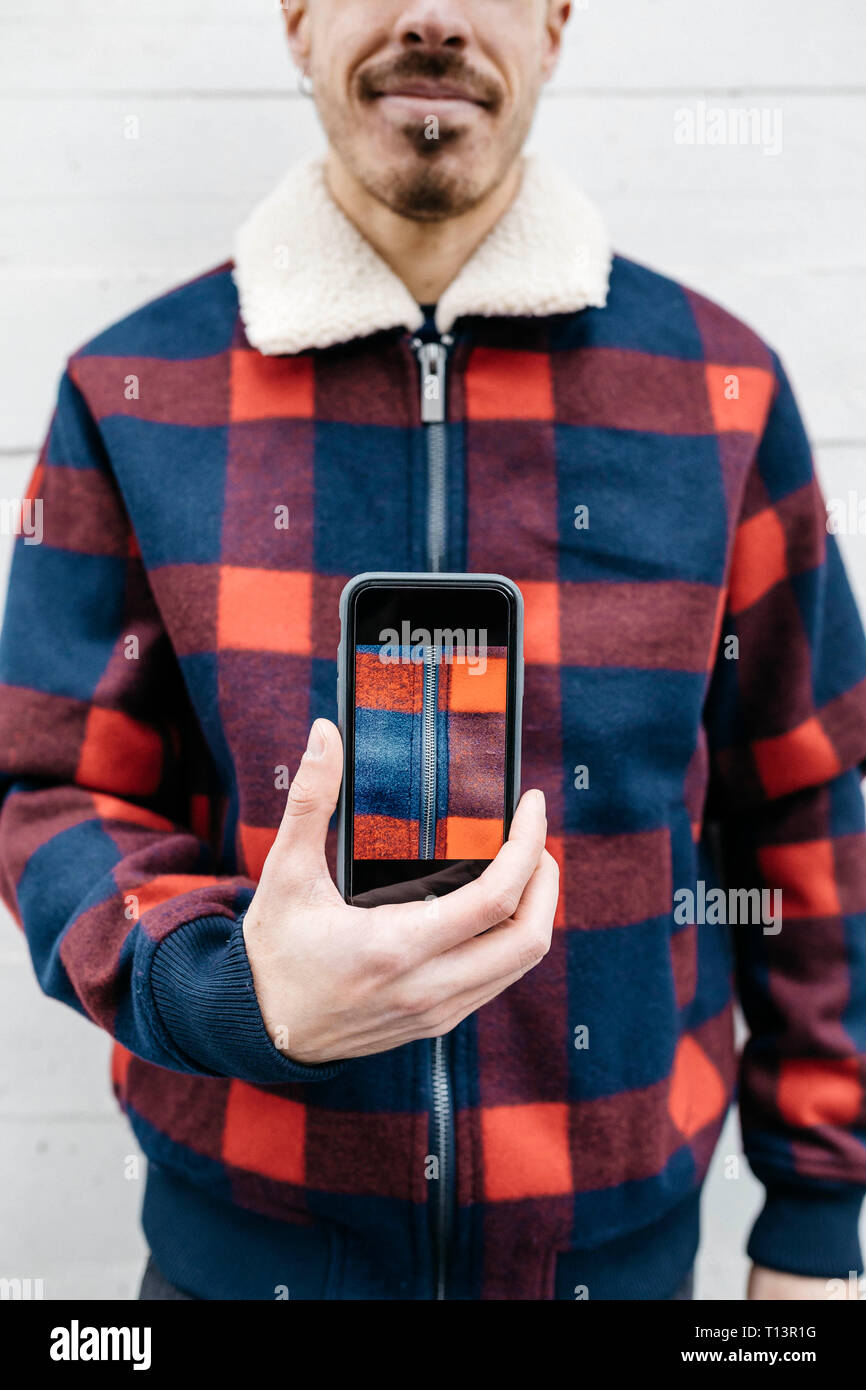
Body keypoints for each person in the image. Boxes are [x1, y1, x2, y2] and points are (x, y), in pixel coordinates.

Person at [1, 0, 864, 1302]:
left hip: (612, 1271)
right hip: (238, 1266)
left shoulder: (718, 390)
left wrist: (813, 1216)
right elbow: (54, 788)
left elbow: (806, 800)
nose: (430, 18)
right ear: (294, 20)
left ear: (557, 24)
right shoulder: (130, 391)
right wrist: (236, 991)